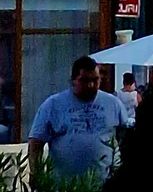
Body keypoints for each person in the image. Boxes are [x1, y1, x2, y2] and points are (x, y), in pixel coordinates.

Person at [28, 56, 125, 188]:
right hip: (65, 186)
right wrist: (36, 173)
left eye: (95, 80)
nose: (91, 85)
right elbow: (36, 143)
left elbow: (125, 136)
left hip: (103, 184)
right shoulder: (53, 105)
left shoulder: (113, 103)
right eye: (84, 81)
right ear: (73, 81)